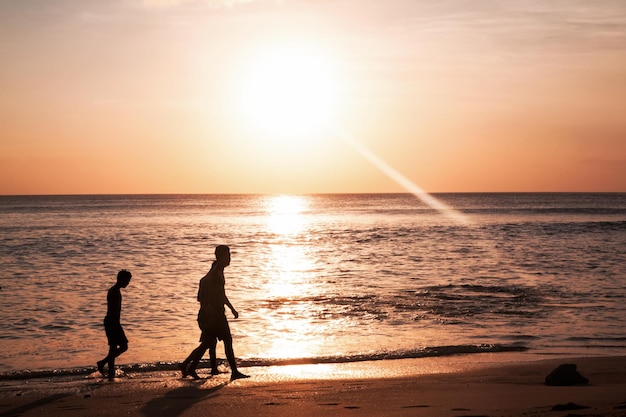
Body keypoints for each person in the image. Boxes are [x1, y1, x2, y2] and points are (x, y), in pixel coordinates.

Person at [179, 245, 249, 381]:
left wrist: (227, 308)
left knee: (207, 343)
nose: (229, 259)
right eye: (227, 256)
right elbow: (220, 295)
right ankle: (234, 371)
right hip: (215, 314)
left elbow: (213, 296)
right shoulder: (216, 274)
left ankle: (187, 365)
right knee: (227, 340)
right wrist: (230, 309)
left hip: (210, 313)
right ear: (221, 257)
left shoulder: (215, 272)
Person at [97, 269, 132, 380]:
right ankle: (103, 363)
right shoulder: (114, 292)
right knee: (124, 346)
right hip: (112, 322)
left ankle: (111, 371)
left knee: (113, 348)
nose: (128, 283)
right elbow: (113, 311)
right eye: (127, 280)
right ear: (121, 279)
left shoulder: (114, 290)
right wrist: (115, 325)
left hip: (112, 322)